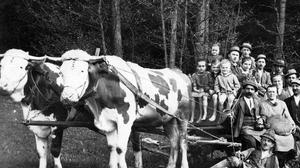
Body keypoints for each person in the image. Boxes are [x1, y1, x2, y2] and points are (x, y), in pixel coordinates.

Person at [259, 85, 296, 167]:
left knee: (290, 138)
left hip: (282, 126)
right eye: (269, 92)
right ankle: (275, 161)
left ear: (276, 93)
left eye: (273, 92)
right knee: (275, 139)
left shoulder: (282, 103)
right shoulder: (263, 104)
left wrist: (293, 124)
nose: (271, 94)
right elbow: (262, 117)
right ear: (267, 93)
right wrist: (261, 121)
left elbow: (288, 116)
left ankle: (288, 161)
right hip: (270, 127)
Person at [210, 129, 279, 168]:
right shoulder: (252, 150)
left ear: (272, 145)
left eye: (269, 141)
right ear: (261, 141)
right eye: (264, 140)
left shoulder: (273, 158)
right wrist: (239, 154)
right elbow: (241, 155)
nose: (266, 143)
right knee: (233, 160)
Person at [231, 79, 264, 150]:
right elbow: (233, 115)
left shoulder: (258, 102)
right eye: (248, 89)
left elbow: (263, 114)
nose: (250, 91)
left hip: (257, 128)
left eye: (252, 89)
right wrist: (230, 117)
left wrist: (261, 119)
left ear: (254, 91)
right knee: (251, 142)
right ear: (244, 90)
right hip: (244, 129)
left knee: (264, 142)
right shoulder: (238, 102)